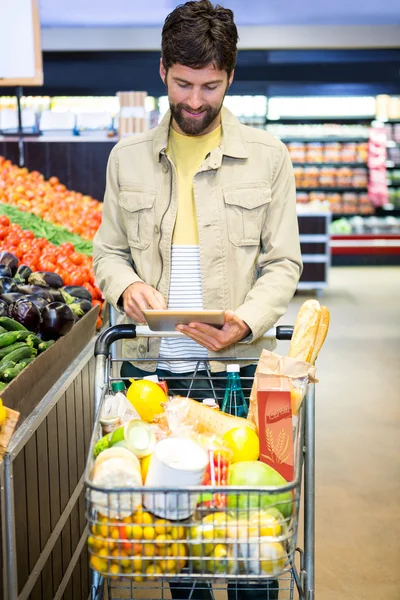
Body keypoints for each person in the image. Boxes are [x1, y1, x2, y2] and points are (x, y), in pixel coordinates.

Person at [93, 2, 302, 597]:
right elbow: (107, 253)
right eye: (183, 83)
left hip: (240, 372)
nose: (195, 99)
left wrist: (248, 320)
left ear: (230, 77)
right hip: (154, 376)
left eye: (210, 85)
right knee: (178, 538)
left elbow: (284, 262)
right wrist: (127, 285)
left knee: (248, 534)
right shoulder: (126, 159)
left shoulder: (268, 156)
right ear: (162, 70)